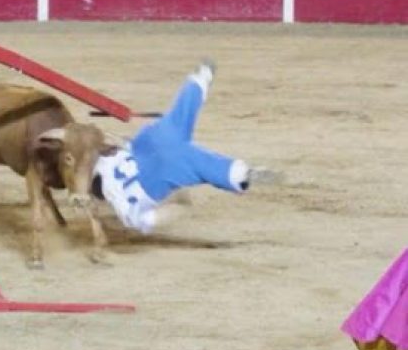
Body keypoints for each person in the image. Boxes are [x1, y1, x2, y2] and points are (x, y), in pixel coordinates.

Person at [91, 59, 281, 233]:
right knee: (179, 115)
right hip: (148, 143)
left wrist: (180, 204)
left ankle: (241, 174)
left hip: (157, 177)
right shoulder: (103, 164)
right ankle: (200, 79)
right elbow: (113, 143)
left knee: (203, 165)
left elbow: (153, 218)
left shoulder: (126, 210)